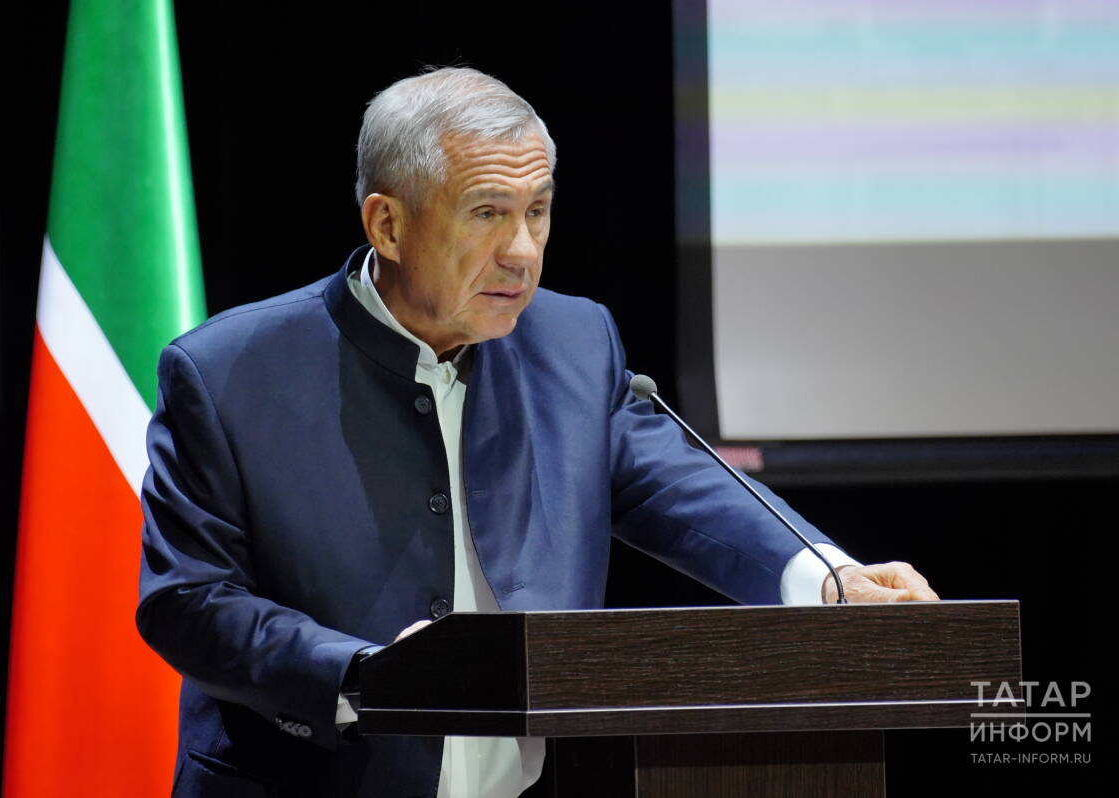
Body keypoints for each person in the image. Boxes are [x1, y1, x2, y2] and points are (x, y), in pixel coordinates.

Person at [136, 67, 937, 798]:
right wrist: (365, 676)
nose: (522, 252)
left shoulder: (575, 342)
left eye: (538, 211)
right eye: (488, 213)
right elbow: (188, 601)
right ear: (387, 226)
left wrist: (827, 576)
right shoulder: (228, 374)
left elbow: (676, 484)